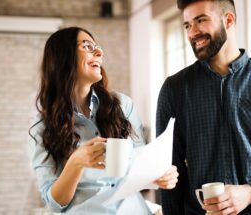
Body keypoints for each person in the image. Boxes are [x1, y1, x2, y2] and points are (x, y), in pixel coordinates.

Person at [156, 0, 251, 214]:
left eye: (201, 21)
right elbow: (169, 168)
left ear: (228, 20)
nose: (192, 33)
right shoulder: (174, 89)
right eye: (187, 25)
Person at [28, 26, 178, 214]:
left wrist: (160, 175)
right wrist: (76, 163)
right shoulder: (41, 127)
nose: (99, 52)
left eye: (97, 47)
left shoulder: (123, 105)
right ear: (63, 57)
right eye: (87, 46)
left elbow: (140, 164)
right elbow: (54, 203)